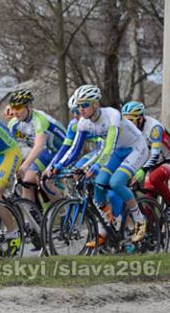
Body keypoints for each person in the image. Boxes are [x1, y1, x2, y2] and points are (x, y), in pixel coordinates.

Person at [55, 85, 149, 246]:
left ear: (96, 104)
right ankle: (107, 225)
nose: (81, 109)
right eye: (78, 105)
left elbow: (109, 147)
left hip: (135, 148)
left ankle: (139, 220)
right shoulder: (84, 122)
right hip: (117, 151)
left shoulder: (112, 116)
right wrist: (57, 166)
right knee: (99, 184)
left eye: (85, 105)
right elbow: (74, 149)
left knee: (116, 182)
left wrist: (96, 166)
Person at [122, 101, 170, 221]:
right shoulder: (131, 130)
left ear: (140, 119)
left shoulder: (154, 128)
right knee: (148, 205)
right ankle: (152, 230)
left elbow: (154, 155)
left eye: (131, 120)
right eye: (126, 120)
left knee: (154, 178)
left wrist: (142, 170)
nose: (128, 124)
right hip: (153, 164)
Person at [6, 89, 67, 204]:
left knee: (45, 182)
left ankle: (63, 211)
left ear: (29, 106)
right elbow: (11, 147)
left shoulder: (39, 119)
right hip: (45, 151)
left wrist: (24, 166)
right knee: (26, 181)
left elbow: (39, 146)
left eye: (18, 108)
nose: (15, 112)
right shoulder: (13, 124)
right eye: (13, 108)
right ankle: (31, 214)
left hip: (61, 151)